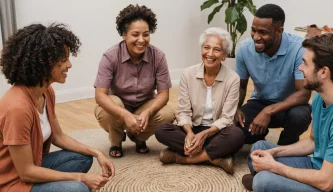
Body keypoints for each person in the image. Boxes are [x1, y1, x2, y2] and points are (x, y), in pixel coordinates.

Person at [0, 24, 115, 192]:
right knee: (80, 191)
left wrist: (97, 152)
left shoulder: (46, 91)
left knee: (82, 158)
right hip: (12, 183)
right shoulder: (17, 108)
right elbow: (26, 172)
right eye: (63, 59)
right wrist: (80, 178)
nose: (69, 65)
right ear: (42, 62)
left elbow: (58, 137)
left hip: (33, 166)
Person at [242, 34, 333, 192]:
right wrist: (275, 153)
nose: (300, 68)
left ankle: (270, 182)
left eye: (305, 63)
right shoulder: (320, 96)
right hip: (317, 166)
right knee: (260, 149)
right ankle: (278, 184)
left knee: (263, 181)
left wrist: (274, 167)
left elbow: (326, 182)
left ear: (323, 72)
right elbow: (313, 142)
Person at [155, 27, 244, 174]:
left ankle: (183, 158)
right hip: (193, 128)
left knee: (237, 135)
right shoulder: (188, 74)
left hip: (216, 131)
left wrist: (204, 135)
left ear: (224, 55)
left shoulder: (233, 78)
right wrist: (190, 134)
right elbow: (183, 111)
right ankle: (215, 158)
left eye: (216, 50)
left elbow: (227, 118)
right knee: (161, 130)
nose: (209, 54)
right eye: (206, 48)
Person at [94, 4, 174, 158]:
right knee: (109, 107)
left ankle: (138, 137)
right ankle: (116, 141)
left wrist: (148, 112)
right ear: (124, 35)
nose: (141, 40)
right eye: (135, 34)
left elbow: (164, 94)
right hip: (118, 107)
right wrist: (124, 115)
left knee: (168, 114)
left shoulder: (158, 56)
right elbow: (100, 95)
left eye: (146, 34)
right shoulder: (110, 56)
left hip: (144, 105)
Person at [235, 4, 311, 145]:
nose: (256, 37)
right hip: (259, 102)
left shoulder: (299, 49)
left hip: (290, 106)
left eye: (263, 32)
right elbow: (241, 86)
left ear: (279, 31)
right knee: (236, 131)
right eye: (253, 30)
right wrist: (237, 107)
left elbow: (303, 94)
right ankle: (258, 134)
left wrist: (268, 111)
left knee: (300, 116)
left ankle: (285, 146)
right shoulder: (245, 49)